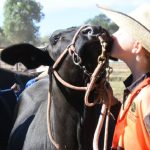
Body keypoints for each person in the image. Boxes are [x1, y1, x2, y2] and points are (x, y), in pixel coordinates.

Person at [98, 3, 150, 150]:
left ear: (137, 46)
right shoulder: (137, 89)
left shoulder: (148, 96)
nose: (113, 34)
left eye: (121, 31)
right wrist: (114, 105)